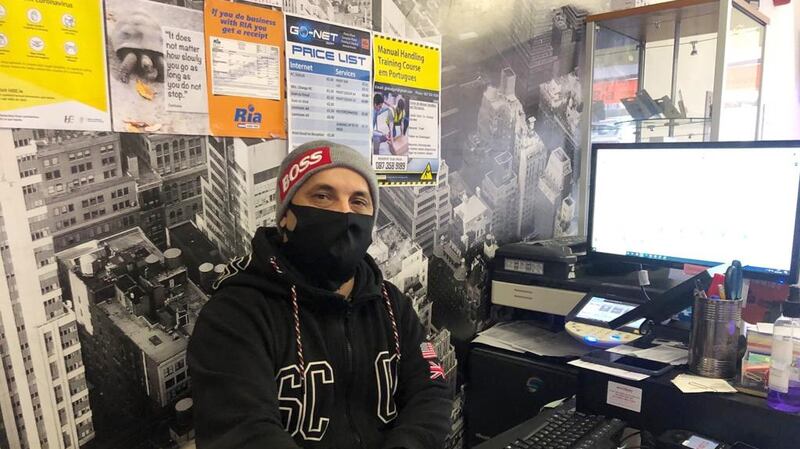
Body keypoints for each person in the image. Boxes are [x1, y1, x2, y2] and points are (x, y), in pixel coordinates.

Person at [188, 141, 453, 449]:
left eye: (358, 202)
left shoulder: (392, 305)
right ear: (286, 215)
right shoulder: (235, 316)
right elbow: (243, 433)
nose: (344, 213)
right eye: (323, 196)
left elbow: (431, 392)